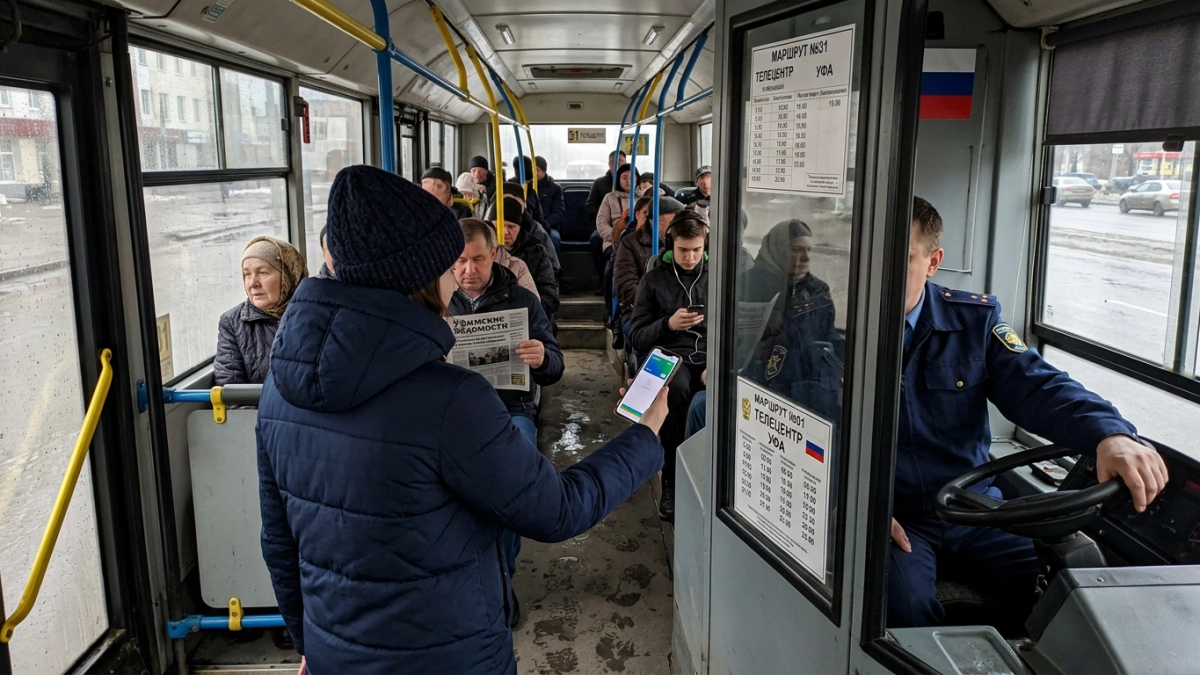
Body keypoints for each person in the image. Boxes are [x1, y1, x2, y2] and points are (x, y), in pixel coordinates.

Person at [257, 165, 669, 675]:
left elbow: (278, 539)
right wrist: (644, 434)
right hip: (448, 650)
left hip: (334, 650)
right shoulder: (450, 398)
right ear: (424, 278)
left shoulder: (279, 386)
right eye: (450, 266)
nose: (461, 276)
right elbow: (557, 511)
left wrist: (307, 643)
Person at [888, 196, 1168, 630]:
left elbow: (1038, 386)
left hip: (972, 508)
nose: (882, 275)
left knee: (1072, 591)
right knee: (900, 613)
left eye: (901, 258)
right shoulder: (831, 327)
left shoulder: (972, 322)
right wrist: (845, 505)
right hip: (888, 514)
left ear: (933, 262)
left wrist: (1109, 435)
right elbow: (798, 421)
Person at [448, 218, 563, 446]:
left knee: (520, 464)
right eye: (461, 260)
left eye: (478, 259)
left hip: (511, 408)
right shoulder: (436, 301)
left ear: (493, 254)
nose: (469, 270)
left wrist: (542, 359)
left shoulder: (523, 300)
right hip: (450, 407)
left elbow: (556, 367)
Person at [629, 210, 710, 521]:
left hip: (706, 357)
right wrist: (668, 324)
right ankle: (673, 479)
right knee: (674, 391)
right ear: (669, 247)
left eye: (696, 250)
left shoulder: (719, 277)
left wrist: (716, 362)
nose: (689, 258)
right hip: (667, 356)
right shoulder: (653, 280)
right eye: (682, 250)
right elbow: (636, 336)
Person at [215, 236, 307, 386]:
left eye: (263, 273)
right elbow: (231, 392)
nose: (252, 283)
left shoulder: (314, 315)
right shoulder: (232, 322)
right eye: (247, 274)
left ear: (289, 276)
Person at [614, 195, 685, 340]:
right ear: (659, 219)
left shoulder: (683, 244)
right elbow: (625, 285)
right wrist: (659, 306)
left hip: (679, 313)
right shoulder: (630, 243)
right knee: (648, 343)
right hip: (640, 313)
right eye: (675, 217)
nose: (680, 223)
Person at [488, 193, 560, 319]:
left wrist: (531, 313)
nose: (505, 232)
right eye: (499, 226)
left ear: (520, 228)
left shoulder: (536, 251)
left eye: (511, 226)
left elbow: (549, 294)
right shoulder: (482, 252)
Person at [586, 151, 627, 281]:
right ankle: (602, 279)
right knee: (596, 239)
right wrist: (605, 214)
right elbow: (590, 206)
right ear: (609, 164)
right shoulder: (600, 183)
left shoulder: (635, 185)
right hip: (605, 225)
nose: (617, 164)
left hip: (629, 226)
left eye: (621, 161)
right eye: (614, 162)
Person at [535, 156, 566, 257]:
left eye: (537, 170)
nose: (534, 173)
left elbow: (558, 212)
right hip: (530, 226)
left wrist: (545, 224)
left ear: (544, 171)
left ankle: (553, 269)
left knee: (554, 239)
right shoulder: (526, 187)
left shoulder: (555, 188)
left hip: (548, 226)